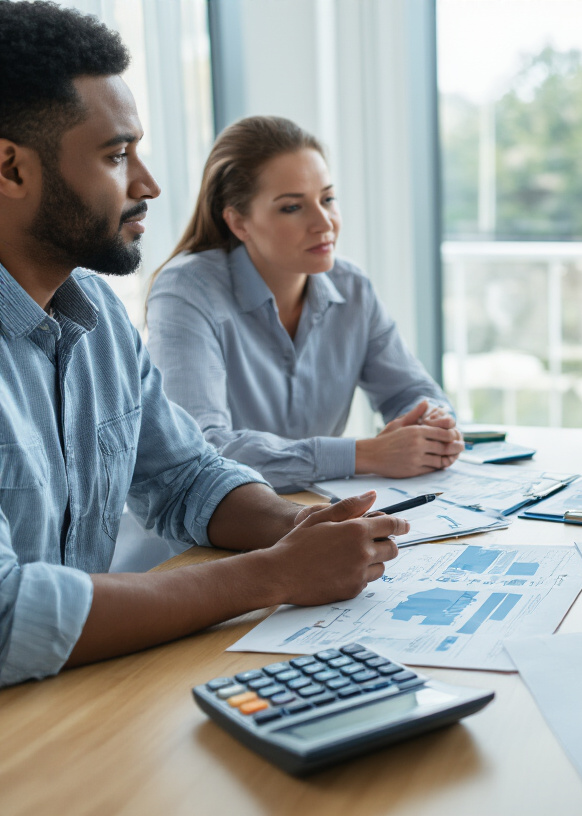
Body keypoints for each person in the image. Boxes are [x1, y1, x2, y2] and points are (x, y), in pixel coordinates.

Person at [0, 1, 404, 686]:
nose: (148, 185)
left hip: (76, 698)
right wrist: (270, 575)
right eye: (117, 155)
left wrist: (292, 528)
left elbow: (184, 474)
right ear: (10, 169)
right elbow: (10, 615)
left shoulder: (96, 311)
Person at [146, 116, 461, 491]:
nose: (323, 222)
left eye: (327, 198)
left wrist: (432, 425)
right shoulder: (187, 289)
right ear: (239, 222)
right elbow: (201, 449)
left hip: (310, 519)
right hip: (199, 540)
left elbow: (410, 392)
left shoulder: (352, 288)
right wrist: (366, 454)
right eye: (292, 207)